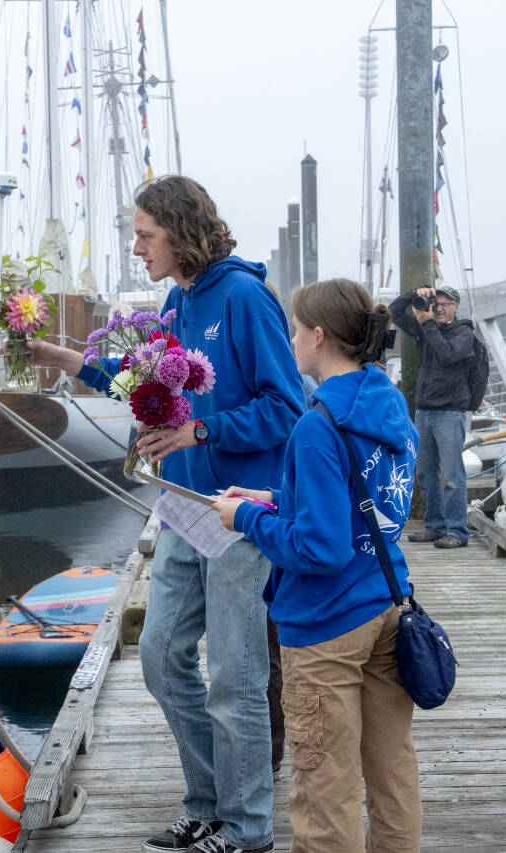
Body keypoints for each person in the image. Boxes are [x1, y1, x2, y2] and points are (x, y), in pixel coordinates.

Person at [29, 175, 304, 853]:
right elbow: (145, 380)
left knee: (236, 674)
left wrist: (203, 434)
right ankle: (210, 803)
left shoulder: (243, 297)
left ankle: (247, 828)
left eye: (145, 233)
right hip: (182, 508)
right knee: (159, 659)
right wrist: (76, 362)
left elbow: (287, 406)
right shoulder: (178, 300)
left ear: (180, 231)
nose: (137, 244)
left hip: (239, 513)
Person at [212, 278, 422, 853]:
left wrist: (246, 521)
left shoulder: (315, 425)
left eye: (297, 328)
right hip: (386, 600)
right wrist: (270, 500)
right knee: (391, 771)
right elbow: (362, 502)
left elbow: (320, 549)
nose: (291, 338)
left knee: (324, 784)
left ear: (319, 336)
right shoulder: (387, 401)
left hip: (327, 623)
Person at [390, 284, 473, 549]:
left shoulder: (464, 333)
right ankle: (435, 527)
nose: (438, 308)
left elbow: (448, 355)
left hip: (450, 412)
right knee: (425, 473)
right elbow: (395, 311)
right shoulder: (426, 329)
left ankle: (458, 531)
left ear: (456, 307)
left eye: (444, 303)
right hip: (424, 411)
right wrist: (415, 295)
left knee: (452, 476)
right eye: (435, 303)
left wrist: (427, 324)